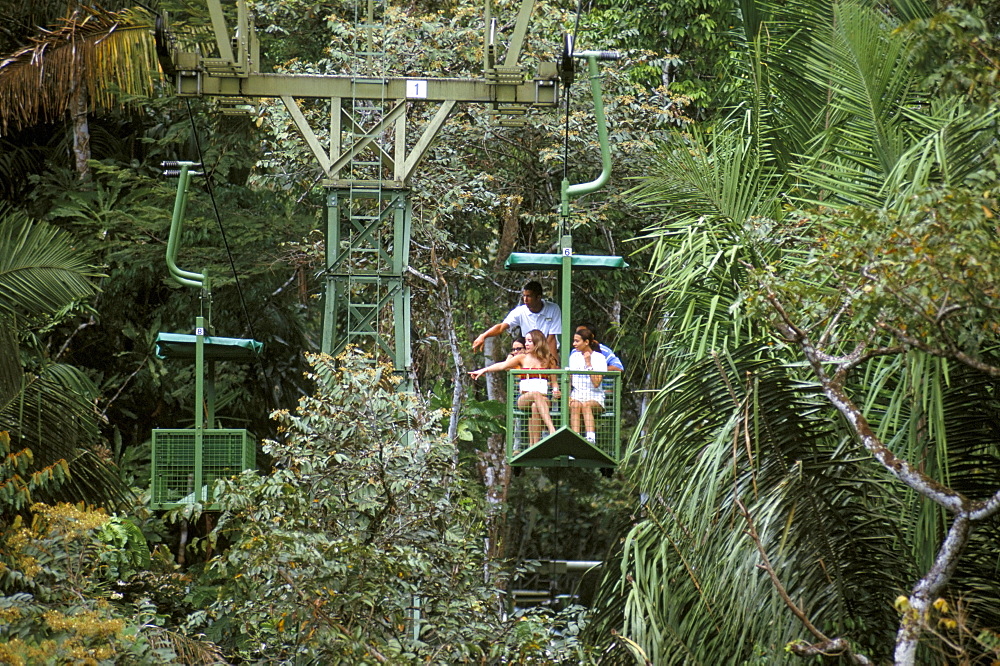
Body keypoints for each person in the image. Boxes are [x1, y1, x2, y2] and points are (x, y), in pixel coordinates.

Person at [470, 329, 560, 445]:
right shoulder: (521, 358)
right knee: (535, 395)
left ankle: (534, 445)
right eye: (526, 341)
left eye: (529, 341)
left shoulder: (548, 360)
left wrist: (556, 391)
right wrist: (483, 370)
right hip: (524, 397)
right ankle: (551, 429)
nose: (526, 344)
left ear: (537, 342)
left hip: (543, 399)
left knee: (535, 406)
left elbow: (554, 382)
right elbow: (502, 365)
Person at [473, 281, 561, 357]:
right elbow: (501, 327)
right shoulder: (520, 311)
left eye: (529, 296)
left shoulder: (553, 309)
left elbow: (552, 338)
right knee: (511, 358)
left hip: (548, 351)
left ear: (538, 297)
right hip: (529, 354)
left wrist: (553, 362)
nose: (525, 299)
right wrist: (483, 336)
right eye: (524, 296)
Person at [569, 328, 607, 444]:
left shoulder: (599, 358)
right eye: (574, 341)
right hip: (577, 395)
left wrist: (588, 363)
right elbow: (570, 379)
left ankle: (591, 439)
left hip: (594, 397)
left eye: (577, 341)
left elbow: (596, 383)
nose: (574, 344)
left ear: (586, 342)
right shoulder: (573, 357)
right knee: (575, 405)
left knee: (586, 405)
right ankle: (576, 439)